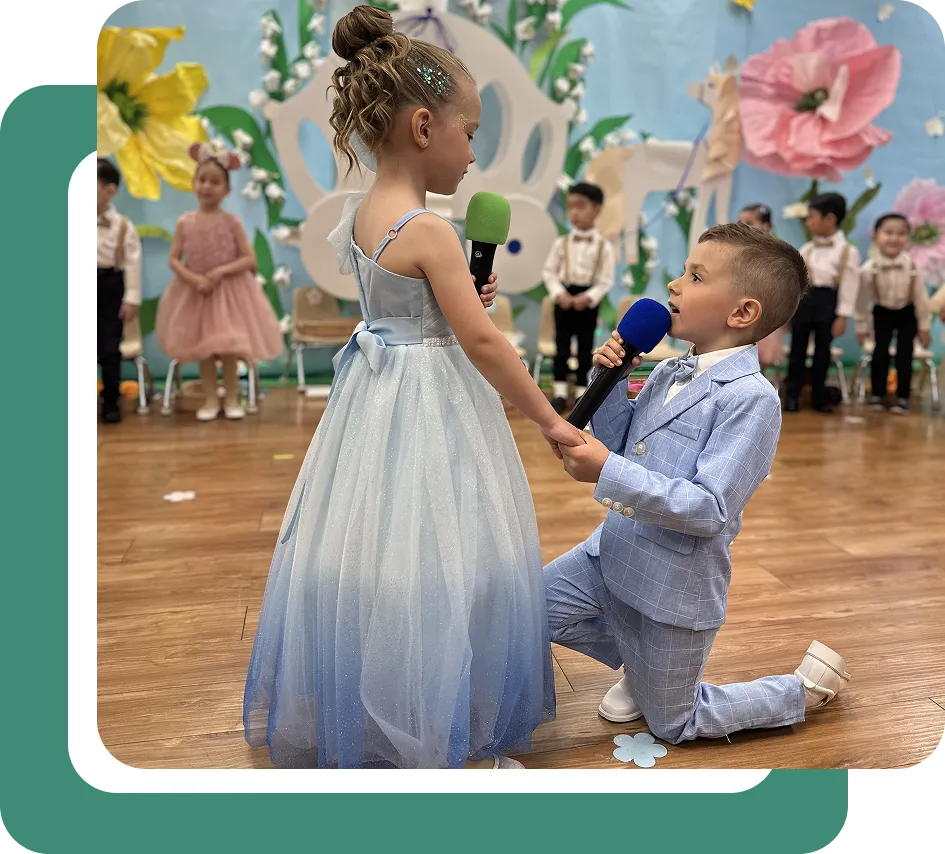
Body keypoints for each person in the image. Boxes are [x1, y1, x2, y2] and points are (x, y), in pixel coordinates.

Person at [243, 5, 585, 769]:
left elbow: (407, 302)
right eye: (469, 132)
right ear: (424, 128)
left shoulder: (367, 213)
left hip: (374, 398)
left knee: (383, 544)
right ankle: (432, 709)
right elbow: (481, 341)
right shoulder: (431, 230)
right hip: (430, 398)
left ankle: (382, 687)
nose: (472, 154)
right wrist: (548, 418)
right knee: (443, 544)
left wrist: (459, 288)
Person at [545, 222, 851, 745]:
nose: (674, 286)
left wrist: (605, 470)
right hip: (609, 555)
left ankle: (800, 691)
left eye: (694, 276)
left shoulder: (752, 399)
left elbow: (709, 508)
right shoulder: (665, 372)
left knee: (674, 723)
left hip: (672, 589)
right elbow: (622, 446)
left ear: (742, 313)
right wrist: (614, 383)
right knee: (526, 608)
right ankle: (638, 666)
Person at [155, 142, 284, 421]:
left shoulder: (231, 222)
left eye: (215, 182)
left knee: (228, 350)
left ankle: (233, 398)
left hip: (229, 296)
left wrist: (221, 272)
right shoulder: (184, 222)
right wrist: (193, 278)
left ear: (226, 190)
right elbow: (175, 259)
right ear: (193, 184)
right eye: (202, 180)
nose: (207, 186)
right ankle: (211, 399)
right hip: (195, 294)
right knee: (205, 350)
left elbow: (249, 259)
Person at [542, 182, 616, 413]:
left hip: (587, 302)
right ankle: (561, 391)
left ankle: (583, 390)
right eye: (570, 207)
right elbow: (549, 272)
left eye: (580, 206)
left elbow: (605, 279)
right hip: (564, 298)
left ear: (596, 209)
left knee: (586, 347)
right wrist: (559, 293)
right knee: (561, 346)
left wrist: (590, 297)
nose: (574, 212)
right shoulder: (560, 243)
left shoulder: (604, 247)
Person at [784, 193, 861, 413]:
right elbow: (796, 282)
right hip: (804, 303)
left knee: (822, 352)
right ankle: (792, 396)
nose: (808, 222)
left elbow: (849, 286)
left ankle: (819, 397)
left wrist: (843, 316)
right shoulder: (807, 248)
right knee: (797, 351)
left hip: (828, 304)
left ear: (830, 219)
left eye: (812, 217)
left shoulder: (848, 251)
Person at [854, 212, 932, 414]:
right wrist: (861, 327)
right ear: (876, 237)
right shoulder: (868, 269)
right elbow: (861, 301)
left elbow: (921, 299)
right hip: (882, 313)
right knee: (880, 352)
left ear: (908, 238)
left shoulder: (913, 266)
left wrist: (924, 327)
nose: (894, 238)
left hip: (907, 313)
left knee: (905, 354)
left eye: (901, 234)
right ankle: (877, 394)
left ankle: (903, 396)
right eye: (888, 233)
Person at [97, 158, 142, 423]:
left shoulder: (123, 226)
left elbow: (133, 264)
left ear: (110, 191)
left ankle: (111, 398)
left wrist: (132, 298)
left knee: (109, 347)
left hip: (110, 286)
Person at [738, 204, 783, 370]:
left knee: (758, 358)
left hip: (762, 310)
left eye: (750, 222)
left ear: (767, 226)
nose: (743, 227)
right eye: (741, 222)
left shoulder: (775, 252)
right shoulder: (736, 250)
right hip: (738, 307)